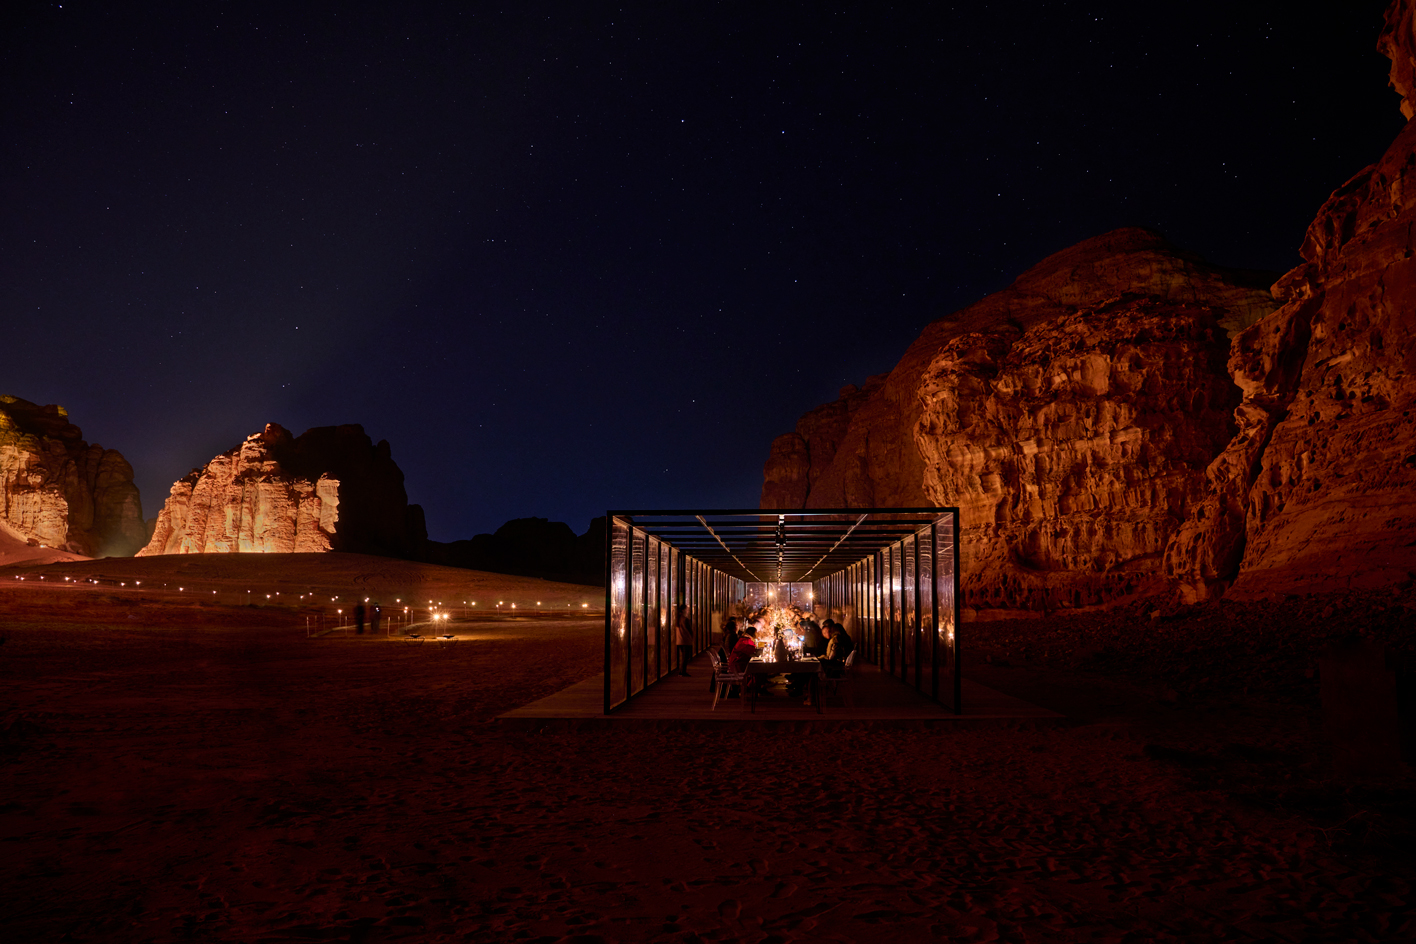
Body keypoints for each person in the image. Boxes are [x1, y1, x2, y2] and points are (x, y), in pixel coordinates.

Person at [673, 604, 693, 677]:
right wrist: (692, 637)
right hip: (686, 641)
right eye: (687, 609)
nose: (688, 611)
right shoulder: (685, 620)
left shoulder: (677, 620)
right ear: (683, 610)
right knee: (685, 657)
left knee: (684, 657)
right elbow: (690, 630)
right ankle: (682, 671)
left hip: (679, 641)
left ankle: (682, 671)